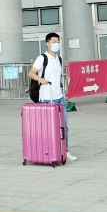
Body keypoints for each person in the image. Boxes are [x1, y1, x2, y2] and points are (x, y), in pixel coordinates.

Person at [28, 32, 77, 162]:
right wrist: (41, 79)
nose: (56, 44)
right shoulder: (42, 58)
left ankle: (65, 151)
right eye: (53, 41)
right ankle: (47, 151)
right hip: (46, 98)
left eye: (58, 41)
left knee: (64, 127)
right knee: (48, 128)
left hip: (59, 97)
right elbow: (31, 73)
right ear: (47, 43)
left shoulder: (58, 59)